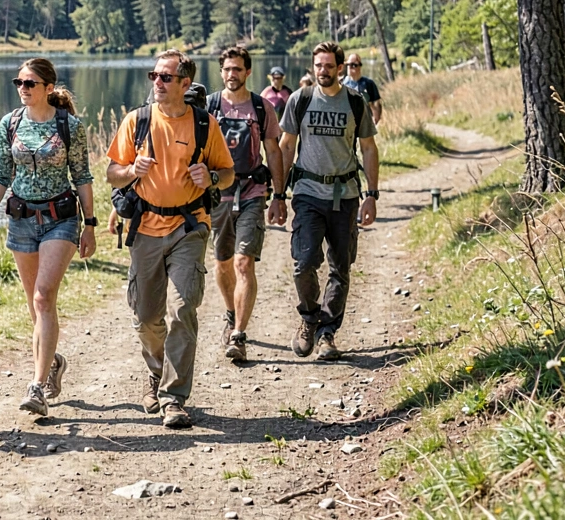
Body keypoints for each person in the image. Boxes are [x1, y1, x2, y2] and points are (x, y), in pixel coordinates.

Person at [107, 49, 234, 429]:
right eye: (154, 76)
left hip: (189, 226)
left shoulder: (204, 124)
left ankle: (174, 397)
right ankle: (157, 371)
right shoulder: (137, 121)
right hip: (145, 227)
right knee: (146, 318)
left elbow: (227, 173)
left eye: (165, 77)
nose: (157, 83)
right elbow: (112, 172)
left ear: (184, 83)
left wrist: (211, 177)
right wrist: (131, 170)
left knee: (182, 309)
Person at [0, 58, 97, 417]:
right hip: (22, 221)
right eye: (19, 83)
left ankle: (37, 386)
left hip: (61, 219)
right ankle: (53, 360)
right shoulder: (10, 123)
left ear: (48, 87)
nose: (23, 89)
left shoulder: (69, 126)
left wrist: (90, 224)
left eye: (30, 83)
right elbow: (0, 174)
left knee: (44, 298)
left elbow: (82, 176)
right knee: (35, 306)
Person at [278, 41, 380, 362]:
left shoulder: (355, 102)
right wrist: (278, 194)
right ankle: (309, 318)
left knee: (341, 267)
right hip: (307, 194)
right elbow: (286, 146)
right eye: (318, 65)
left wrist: (372, 195)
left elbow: (368, 148)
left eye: (329, 66)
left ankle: (327, 333)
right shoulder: (300, 99)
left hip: (345, 196)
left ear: (340, 68)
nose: (323, 71)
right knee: (304, 262)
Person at [208, 47, 286, 363]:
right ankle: (231, 312)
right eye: (227, 69)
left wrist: (278, 196)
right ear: (221, 71)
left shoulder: (261, 107)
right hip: (217, 196)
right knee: (222, 263)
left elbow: (274, 152)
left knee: (243, 262)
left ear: (248, 72)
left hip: (252, 191)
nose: (232, 74)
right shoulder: (209, 106)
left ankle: (238, 335)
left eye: (238, 69)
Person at [341, 53, 383, 124]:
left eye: (353, 65)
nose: (350, 67)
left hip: (365, 123)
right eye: (348, 65)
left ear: (359, 66)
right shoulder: (342, 84)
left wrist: (375, 120)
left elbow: (376, 104)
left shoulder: (368, 84)